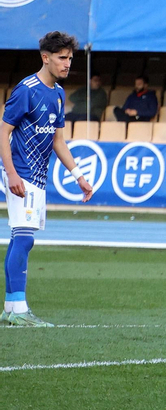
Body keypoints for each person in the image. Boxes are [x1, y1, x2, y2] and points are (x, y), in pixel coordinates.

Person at [1, 31, 93, 327]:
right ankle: (18, 309)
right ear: (46, 57)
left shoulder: (57, 93)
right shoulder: (26, 89)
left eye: (70, 58)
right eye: (62, 58)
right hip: (21, 173)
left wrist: (78, 176)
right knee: (25, 238)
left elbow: (58, 141)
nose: (68, 64)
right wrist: (11, 173)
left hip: (38, 177)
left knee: (21, 237)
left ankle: (10, 307)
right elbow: (3, 132)